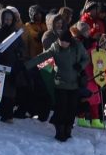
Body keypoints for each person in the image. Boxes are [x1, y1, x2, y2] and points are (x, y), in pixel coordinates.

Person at [31, 12, 91, 143]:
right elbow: (42, 57)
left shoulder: (77, 46)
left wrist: (80, 66)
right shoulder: (55, 47)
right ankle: (59, 131)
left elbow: (86, 58)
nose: (62, 43)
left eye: (65, 42)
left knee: (71, 109)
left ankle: (68, 129)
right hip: (60, 83)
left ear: (70, 42)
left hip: (74, 84)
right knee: (61, 109)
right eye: (61, 41)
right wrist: (27, 65)